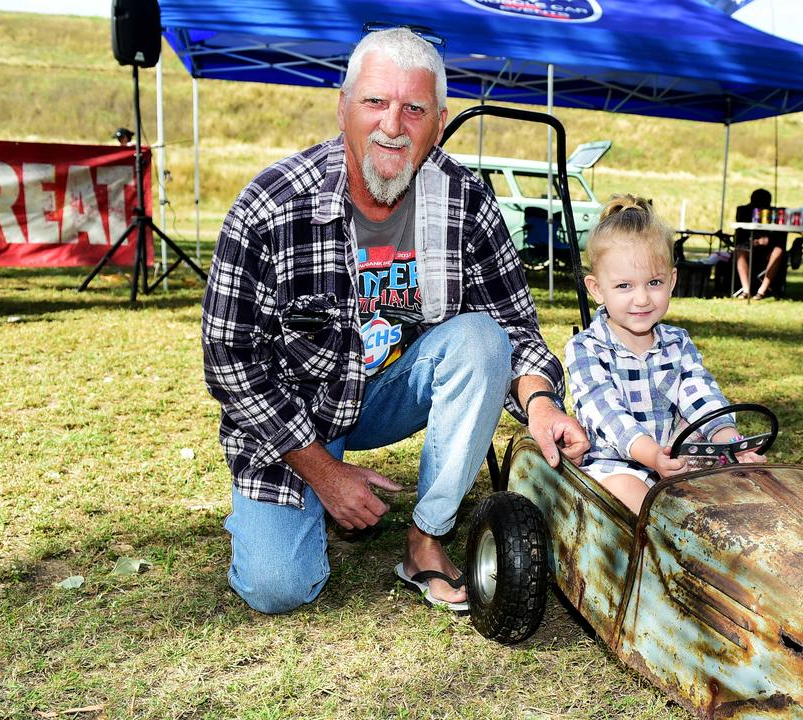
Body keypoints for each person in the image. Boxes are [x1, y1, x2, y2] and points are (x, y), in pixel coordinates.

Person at [201, 28, 588, 615]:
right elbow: (229, 361)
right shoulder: (274, 204)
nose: (392, 124)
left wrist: (539, 403)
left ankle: (425, 541)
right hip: (299, 412)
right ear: (343, 108)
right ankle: (284, 510)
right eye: (375, 102)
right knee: (277, 587)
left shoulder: (466, 201)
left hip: (392, 390)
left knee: (482, 339)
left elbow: (514, 328)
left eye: (414, 108)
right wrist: (325, 474)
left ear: (438, 122)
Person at [565, 195, 765, 514]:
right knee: (638, 499)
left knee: (730, 489)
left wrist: (729, 441)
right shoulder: (587, 348)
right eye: (624, 286)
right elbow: (606, 415)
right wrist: (651, 455)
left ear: (671, 281)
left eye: (654, 282)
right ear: (596, 288)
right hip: (615, 466)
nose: (642, 298)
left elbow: (700, 394)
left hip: (672, 459)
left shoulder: (677, 342)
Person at [733, 188, 787, 300]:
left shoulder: (774, 213)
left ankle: (762, 290)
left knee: (779, 251)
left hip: (769, 248)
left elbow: (780, 236)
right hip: (748, 245)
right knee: (740, 252)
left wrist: (768, 240)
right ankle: (746, 289)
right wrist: (754, 241)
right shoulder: (744, 211)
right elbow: (740, 232)